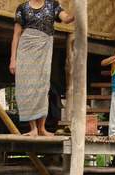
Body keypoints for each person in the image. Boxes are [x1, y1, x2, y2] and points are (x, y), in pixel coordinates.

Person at [9, 0, 74, 136]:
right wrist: (13, 59)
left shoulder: (52, 5)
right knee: (26, 86)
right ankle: (32, 128)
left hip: (44, 47)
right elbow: (16, 34)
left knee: (42, 86)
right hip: (26, 48)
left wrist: (79, 11)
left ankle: (42, 128)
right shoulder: (23, 8)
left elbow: (67, 19)